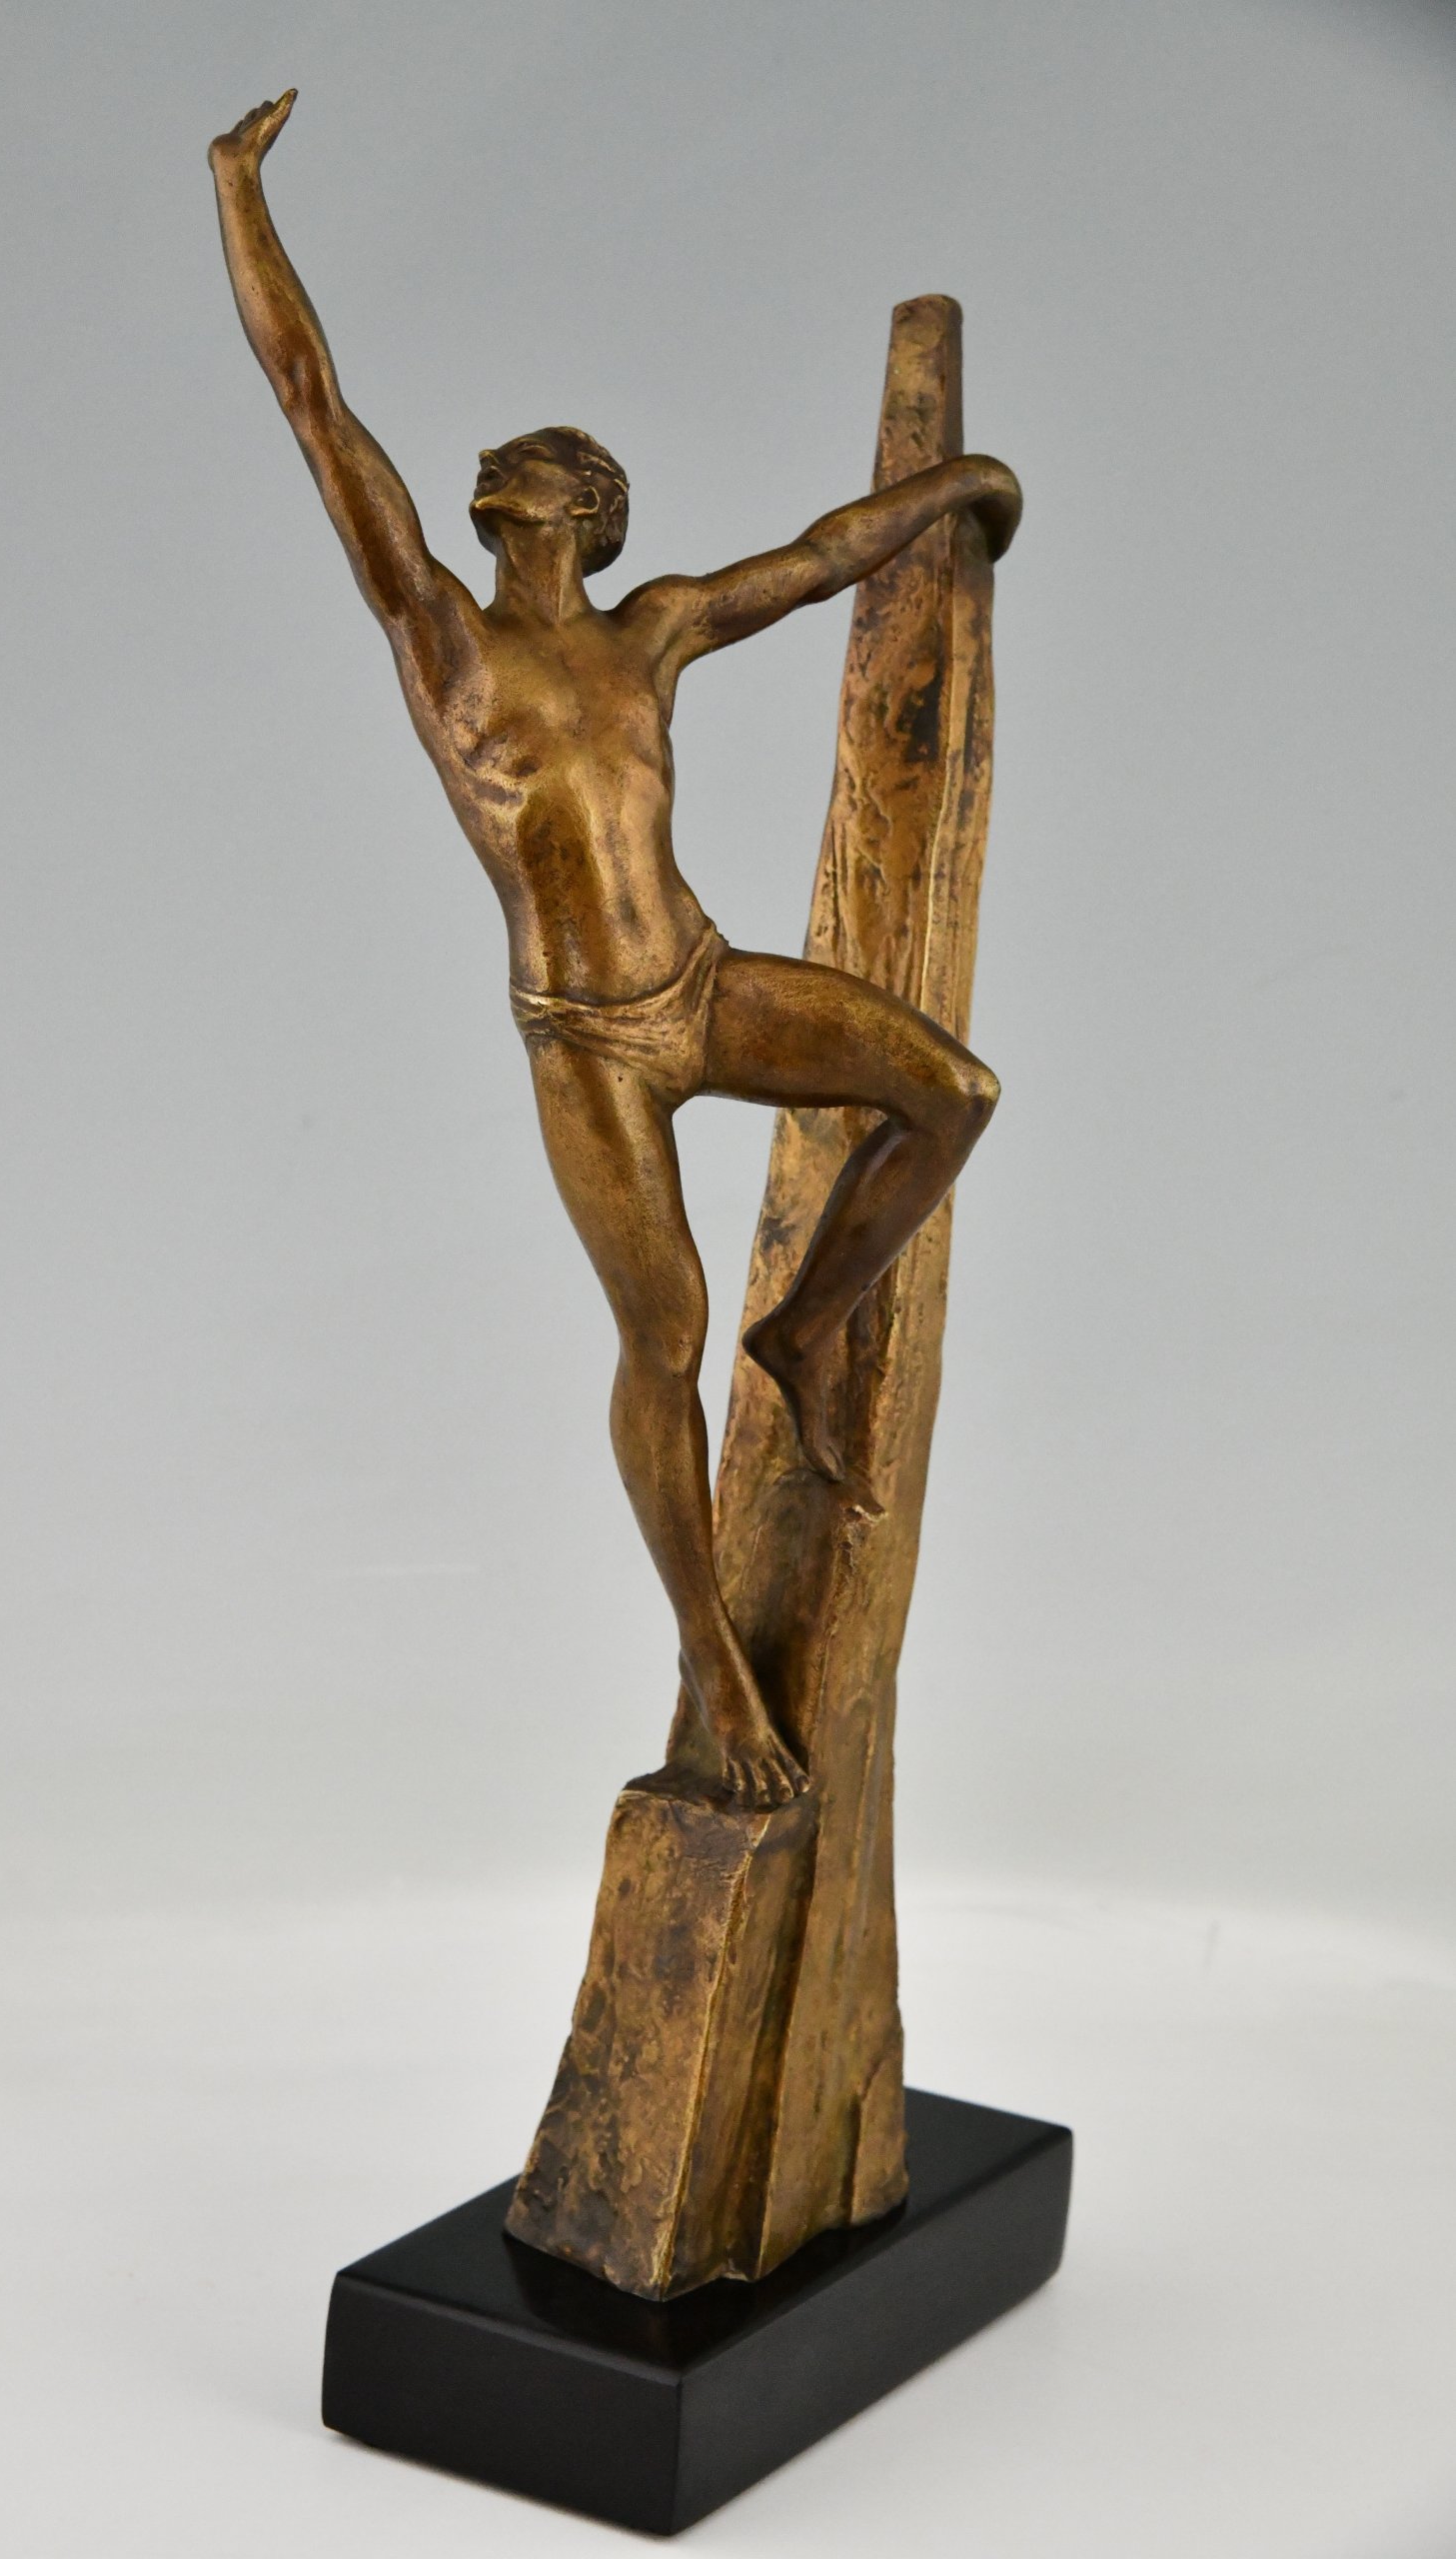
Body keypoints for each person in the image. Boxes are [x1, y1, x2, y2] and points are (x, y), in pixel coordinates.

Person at [210, 93, 1021, 1809]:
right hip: (585, 1040)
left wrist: (957, 485)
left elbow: (814, 561)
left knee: (951, 1093)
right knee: (661, 1337)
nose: (486, 465)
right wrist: (238, 190)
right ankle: (712, 1667)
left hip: (703, 987)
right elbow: (311, 400)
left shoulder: (649, 634)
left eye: (524, 457)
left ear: (578, 504)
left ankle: (809, 1330)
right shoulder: (441, 639)